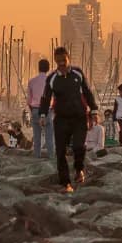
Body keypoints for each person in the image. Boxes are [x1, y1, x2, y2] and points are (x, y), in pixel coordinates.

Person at [38, 46, 98, 190]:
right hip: (61, 119)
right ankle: (66, 184)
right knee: (60, 152)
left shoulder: (78, 73)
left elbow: (88, 92)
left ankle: (79, 170)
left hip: (79, 117)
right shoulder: (52, 78)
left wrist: (94, 110)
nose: (61, 64)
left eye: (63, 60)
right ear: (55, 61)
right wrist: (42, 114)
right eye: (58, 61)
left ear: (68, 58)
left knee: (79, 146)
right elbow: (46, 98)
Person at [27, 59, 55, 157]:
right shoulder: (51, 81)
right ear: (48, 68)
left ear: (38, 68)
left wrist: (33, 111)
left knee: (37, 137)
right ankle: (51, 159)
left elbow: (29, 101)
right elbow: (55, 98)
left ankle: (36, 159)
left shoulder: (31, 81)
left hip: (35, 109)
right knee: (49, 137)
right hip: (47, 110)